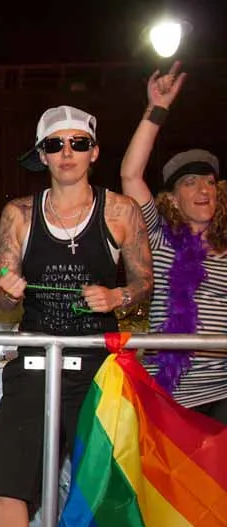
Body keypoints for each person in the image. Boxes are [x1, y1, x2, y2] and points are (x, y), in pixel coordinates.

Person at [0, 106, 153, 527]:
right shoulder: (19, 214)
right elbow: (2, 298)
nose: (67, 153)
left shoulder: (120, 211)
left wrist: (117, 296)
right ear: (43, 155)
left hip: (96, 368)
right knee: (7, 469)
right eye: (56, 145)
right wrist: (6, 292)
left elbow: (145, 285)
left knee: (101, 480)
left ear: (94, 152)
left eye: (78, 143)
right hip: (35, 360)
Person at [120, 62, 227, 420]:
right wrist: (156, 109)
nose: (203, 189)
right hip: (170, 392)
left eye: (209, 181)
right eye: (189, 183)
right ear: (173, 199)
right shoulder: (157, 237)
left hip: (223, 390)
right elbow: (130, 175)